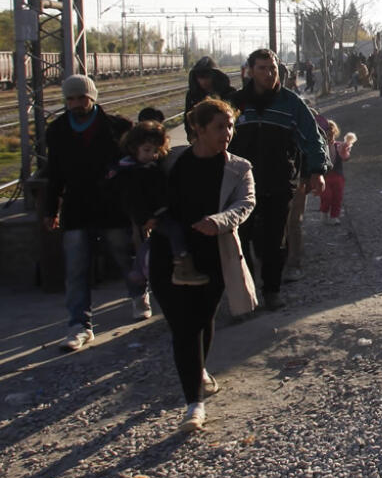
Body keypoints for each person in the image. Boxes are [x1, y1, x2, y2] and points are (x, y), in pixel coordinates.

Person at [151, 98, 257, 432]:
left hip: (213, 253)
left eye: (230, 126)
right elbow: (143, 192)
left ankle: (193, 402)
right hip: (168, 252)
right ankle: (196, 385)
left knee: (197, 321)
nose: (227, 133)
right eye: (219, 127)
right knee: (181, 324)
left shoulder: (239, 167)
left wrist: (220, 220)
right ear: (197, 129)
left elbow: (246, 203)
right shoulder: (170, 162)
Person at [44, 75, 142, 351]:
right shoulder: (58, 130)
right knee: (75, 267)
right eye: (70, 99)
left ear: (93, 97)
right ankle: (79, 325)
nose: (75, 103)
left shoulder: (117, 127)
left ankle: (137, 293)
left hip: (111, 205)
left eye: (81, 98)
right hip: (76, 207)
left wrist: (135, 204)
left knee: (123, 254)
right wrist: (51, 209)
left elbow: (133, 167)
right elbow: (54, 174)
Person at [229, 49, 329, 310]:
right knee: (242, 238)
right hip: (241, 186)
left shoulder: (291, 104)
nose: (269, 73)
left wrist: (317, 170)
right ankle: (245, 294)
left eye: (272, 68)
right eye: (262, 68)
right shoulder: (235, 103)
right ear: (251, 71)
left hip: (279, 182)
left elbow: (312, 137)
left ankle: (272, 291)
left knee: (275, 240)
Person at [105, 121, 206, 299]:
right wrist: (144, 218)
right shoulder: (131, 172)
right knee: (173, 233)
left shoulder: (150, 165)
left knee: (151, 242)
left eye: (156, 151)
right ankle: (182, 263)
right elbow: (133, 200)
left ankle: (138, 270)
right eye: (147, 150)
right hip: (150, 215)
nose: (152, 155)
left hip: (159, 211)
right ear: (134, 147)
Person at [318, 119, 356, 225]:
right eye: (326, 134)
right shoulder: (319, 147)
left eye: (331, 133)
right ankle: (324, 211)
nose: (329, 137)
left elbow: (346, 158)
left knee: (337, 197)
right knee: (326, 196)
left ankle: (334, 216)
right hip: (324, 176)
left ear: (335, 133)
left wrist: (344, 151)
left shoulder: (339, 146)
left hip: (338, 176)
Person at [184, 56, 234, 136]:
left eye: (207, 77)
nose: (203, 81)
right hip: (200, 138)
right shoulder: (192, 95)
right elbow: (187, 118)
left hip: (223, 136)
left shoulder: (228, 93)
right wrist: (191, 136)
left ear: (214, 76)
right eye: (200, 77)